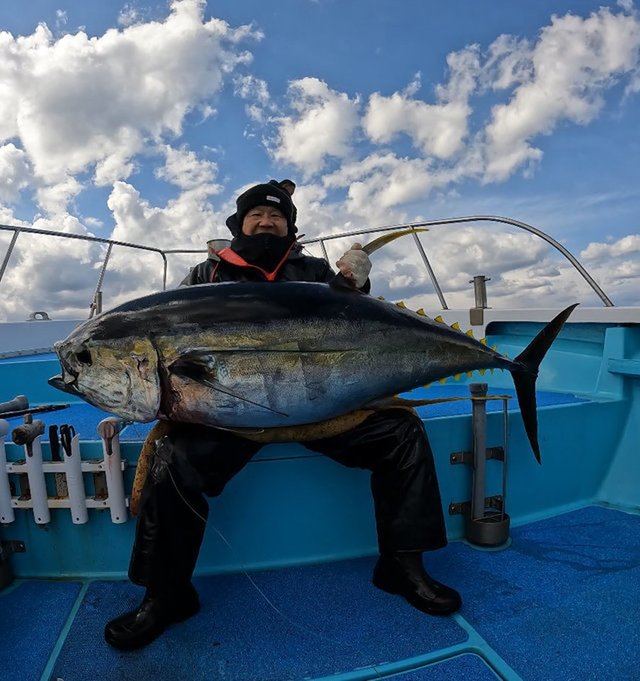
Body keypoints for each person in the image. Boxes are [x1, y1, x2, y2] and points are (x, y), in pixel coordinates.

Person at [104, 181, 461, 651]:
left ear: (290, 226)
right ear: (239, 224)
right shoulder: (204, 275)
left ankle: (401, 566)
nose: (266, 222)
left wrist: (359, 282)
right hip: (232, 416)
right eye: (256, 215)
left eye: (277, 216)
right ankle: (167, 595)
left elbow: (355, 313)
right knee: (173, 460)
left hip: (320, 408)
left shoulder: (313, 269)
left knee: (402, 431)